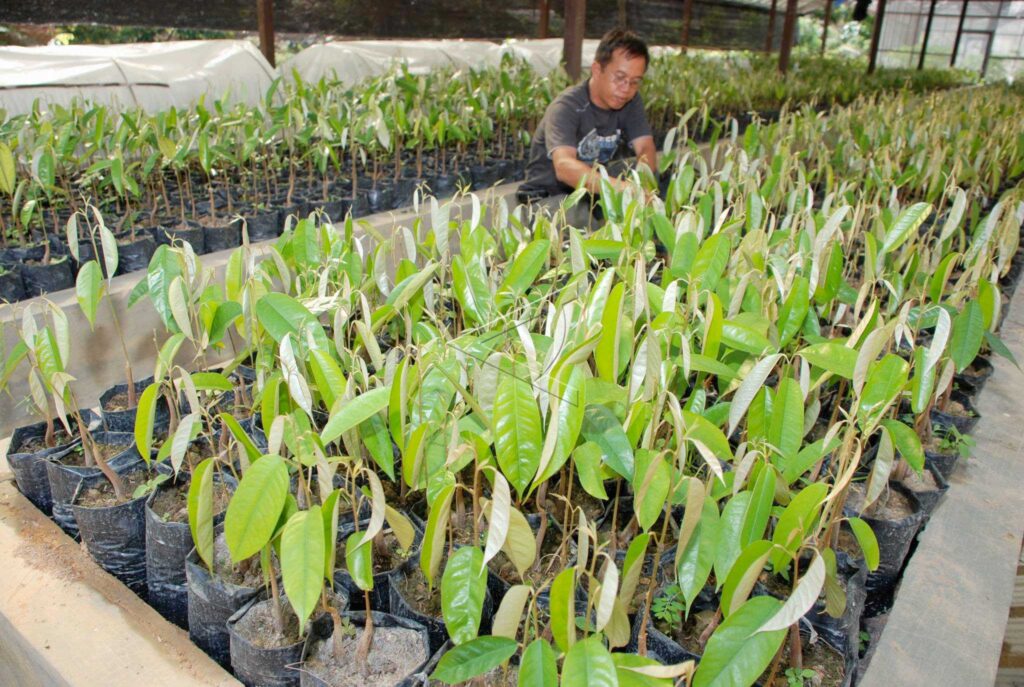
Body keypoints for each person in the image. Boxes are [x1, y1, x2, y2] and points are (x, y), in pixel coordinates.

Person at [521, 28, 658, 201]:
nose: (626, 89)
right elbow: (564, 167)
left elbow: (645, 146)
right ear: (596, 69)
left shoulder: (630, 101)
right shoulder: (567, 106)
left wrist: (643, 185)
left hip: (590, 190)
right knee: (584, 221)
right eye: (619, 77)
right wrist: (624, 189)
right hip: (550, 195)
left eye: (634, 82)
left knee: (649, 172)